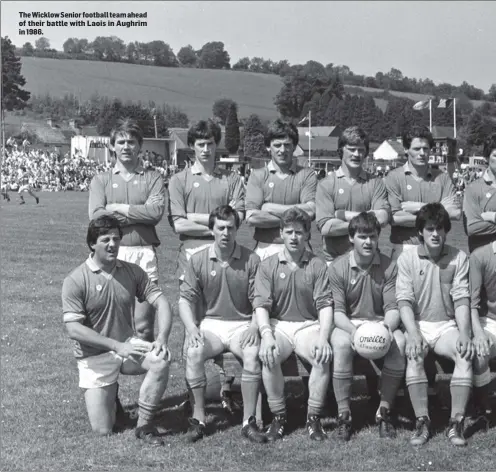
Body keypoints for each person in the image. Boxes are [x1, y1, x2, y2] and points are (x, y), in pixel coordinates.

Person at [61, 215, 173, 444]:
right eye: (105, 239)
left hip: (127, 346)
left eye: (116, 239)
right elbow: (74, 329)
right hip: (94, 355)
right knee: (103, 430)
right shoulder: (75, 279)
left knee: (160, 360)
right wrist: (115, 346)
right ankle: (113, 400)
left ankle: (144, 425)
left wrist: (161, 337)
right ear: (92, 243)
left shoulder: (133, 272)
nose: (112, 244)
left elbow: (162, 302)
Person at [168, 119, 245, 411]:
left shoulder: (231, 179)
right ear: (193, 146)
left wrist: (196, 217)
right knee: (194, 328)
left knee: (227, 323)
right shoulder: (179, 180)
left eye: (211, 143)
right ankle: (194, 394)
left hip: (227, 260)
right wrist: (217, 222)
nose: (206, 149)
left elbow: (237, 219)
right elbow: (178, 223)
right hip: (191, 259)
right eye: (200, 144)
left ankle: (228, 388)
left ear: (217, 145)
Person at [178, 205, 266, 443]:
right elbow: (185, 301)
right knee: (194, 351)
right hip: (211, 326)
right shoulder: (197, 260)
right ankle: (198, 419)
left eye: (231, 228)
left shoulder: (253, 260)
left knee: (252, 353)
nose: (226, 233)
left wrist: (254, 327)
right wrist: (192, 328)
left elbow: (260, 301)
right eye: (221, 228)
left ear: (237, 229)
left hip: (241, 325)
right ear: (212, 230)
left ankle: (249, 422)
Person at [253, 208, 334, 442]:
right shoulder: (268, 265)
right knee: (268, 354)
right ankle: (278, 416)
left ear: (308, 234)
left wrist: (323, 336)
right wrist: (266, 335)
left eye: (299, 232)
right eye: (289, 232)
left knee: (321, 355)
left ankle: (313, 418)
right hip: (279, 326)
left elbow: (325, 305)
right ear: (281, 233)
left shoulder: (318, 265)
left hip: (308, 326)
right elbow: (261, 306)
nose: (294, 237)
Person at [396, 203, 473, 446]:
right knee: (414, 354)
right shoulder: (407, 258)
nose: (435, 234)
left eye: (440, 228)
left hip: (445, 326)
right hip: (418, 324)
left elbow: (462, 299)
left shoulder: (458, 257)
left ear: (446, 230)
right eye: (430, 229)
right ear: (421, 232)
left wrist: (464, 333)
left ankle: (456, 422)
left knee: (464, 353)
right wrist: (413, 333)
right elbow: (404, 301)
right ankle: (422, 420)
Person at [329, 212, 405, 441]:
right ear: (351, 238)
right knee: (341, 345)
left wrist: (385, 328)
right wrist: (355, 332)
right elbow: (338, 313)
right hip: (349, 325)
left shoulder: (389, 266)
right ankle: (344, 415)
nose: (368, 242)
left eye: (372, 236)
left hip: (380, 322)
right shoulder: (338, 267)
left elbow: (393, 308)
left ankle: (384, 411)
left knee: (400, 343)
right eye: (362, 237)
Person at [89, 118, 166, 343]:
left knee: (143, 327)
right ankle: (108, 372)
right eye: (121, 141)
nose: (126, 146)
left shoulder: (153, 178)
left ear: (140, 146)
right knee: (106, 323)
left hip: (143, 252)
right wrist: (138, 215)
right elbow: (96, 217)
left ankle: (150, 372)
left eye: (131, 142)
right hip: (111, 252)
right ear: (112, 145)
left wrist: (118, 209)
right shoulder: (100, 180)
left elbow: (155, 213)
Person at [316, 126, 389, 266]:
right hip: (334, 260)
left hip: (368, 260)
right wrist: (366, 220)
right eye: (352, 149)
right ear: (341, 150)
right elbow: (326, 228)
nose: (357, 154)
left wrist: (342, 214)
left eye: (361, 150)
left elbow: (383, 218)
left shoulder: (375, 183)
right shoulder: (326, 184)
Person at [245, 119, 317, 260]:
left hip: (300, 248)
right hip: (266, 247)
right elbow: (252, 217)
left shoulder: (307, 175)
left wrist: (267, 207)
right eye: (277, 145)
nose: (282, 150)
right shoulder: (258, 176)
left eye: (287, 145)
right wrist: (296, 219)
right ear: (268, 147)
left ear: (295, 146)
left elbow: (310, 212)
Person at [385, 126, 460, 260]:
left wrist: (419, 207)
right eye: (416, 149)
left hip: (437, 249)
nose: (422, 153)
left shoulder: (442, 177)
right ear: (406, 149)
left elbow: (455, 213)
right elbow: (395, 218)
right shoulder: (394, 177)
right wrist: (439, 210)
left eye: (425, 149)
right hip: (404, 248)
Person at [468, 240, 496, 428]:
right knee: (480, 352)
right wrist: (478, 332)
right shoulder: (480, 256)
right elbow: (472, 303)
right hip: (490, 320)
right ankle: (483, 407)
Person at [463, 133, 496, 253]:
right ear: (487, 158)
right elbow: (471, 228)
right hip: (482, 260)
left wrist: (492, 217)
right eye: (495, 155)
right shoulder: (473, 188)